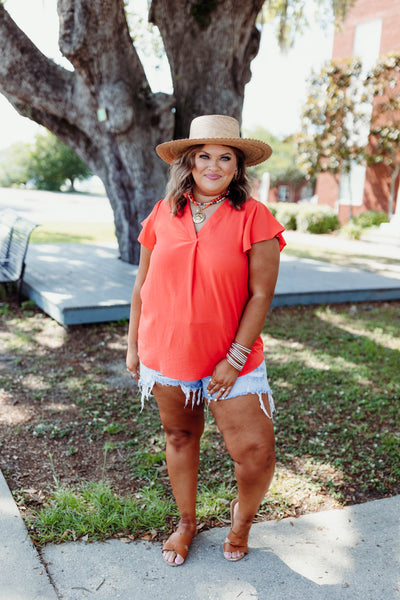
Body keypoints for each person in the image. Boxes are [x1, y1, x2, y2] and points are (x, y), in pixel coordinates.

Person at [126, 114, 286, 566]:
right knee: (179, 436)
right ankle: (186, 523)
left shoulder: (256, 218)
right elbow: (143, 285)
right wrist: (133, 344)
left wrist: (233, 359)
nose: (213, 166)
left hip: (231, 358)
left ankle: (241, 522)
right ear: (189, 163)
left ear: (238, 168)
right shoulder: (162, 213)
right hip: (167, 351)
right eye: (204, 157)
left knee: (254, 453)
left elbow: (261, 294)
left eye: (225, 158)